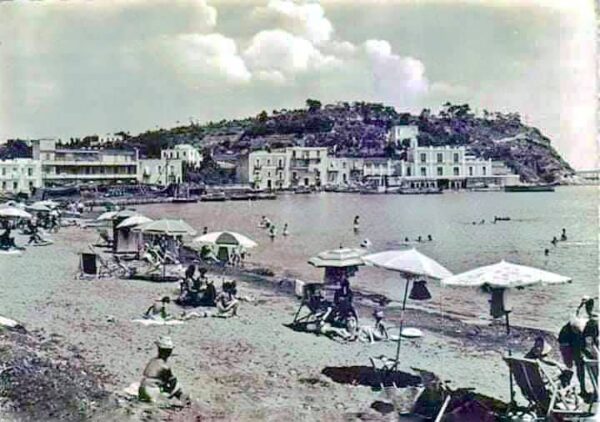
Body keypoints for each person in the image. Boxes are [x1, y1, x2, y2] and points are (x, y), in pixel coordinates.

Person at [138, 336, 186, 404]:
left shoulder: (152, 361)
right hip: (151, 392)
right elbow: (171, 381)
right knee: (176, 386)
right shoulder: (165, 366)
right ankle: (184, 401)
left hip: (142, 389)